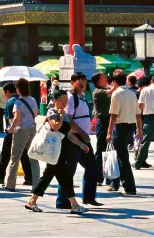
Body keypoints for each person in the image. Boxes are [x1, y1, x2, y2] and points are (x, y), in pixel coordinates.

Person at [25, 89, 89, 214]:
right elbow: (55, 127)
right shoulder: (52, 112)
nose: (64, 102)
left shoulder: (64, 114)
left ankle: (32, 201)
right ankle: (74, 205)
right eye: (61, 100)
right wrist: (60, 115)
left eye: (66, 100)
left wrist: (81, 144)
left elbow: (69, 134)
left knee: (50, 176)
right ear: (54, 100)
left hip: (59, 151)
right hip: (54, 151)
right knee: (65, 177)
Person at [56, 73, 100, 208]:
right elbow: (69, 120)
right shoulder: (70, 98)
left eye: (84, 81)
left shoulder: (82, 97)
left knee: (92, 167)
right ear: (72, 82)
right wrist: (82, 133)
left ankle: (89, 197)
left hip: (84, 137)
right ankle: (62, 201)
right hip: (73, 138)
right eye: (78, 81)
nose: (82, 83)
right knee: (69, 170)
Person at [0, 82, 33, 186]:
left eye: (4, 92)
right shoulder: (25, 99)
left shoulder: (11, 101)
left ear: (7, 91)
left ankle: (0, 176)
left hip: (13, 130)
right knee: (24, 155)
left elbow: (11, 119)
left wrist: (10, 130)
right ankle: (29, 178)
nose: (4, 95)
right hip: (27, 130)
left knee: (6, 154)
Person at [106, 72, 142, 195]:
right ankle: (115, 184)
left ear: (114, 82)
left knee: (122, 158)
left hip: (119, 127)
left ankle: (129, 186)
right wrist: (139, 130)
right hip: (130, 127)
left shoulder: (116, 94)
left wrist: (109, 132)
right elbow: (138, 114)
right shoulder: (132, 94)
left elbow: (113, 115)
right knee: (120, 156)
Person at [4, 78, 40, 192]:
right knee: (33, 157)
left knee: (15, 157)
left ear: (18, 89)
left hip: (21, 131)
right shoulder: (33, 100)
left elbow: (16, 119)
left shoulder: (18, 102)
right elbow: (36, 113)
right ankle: (36, 184)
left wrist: (10, 129)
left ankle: (10, 184)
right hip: (32, 129)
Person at [92, 71, 112, 186]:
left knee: (108, 150)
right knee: (101, 149)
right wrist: (117, 81)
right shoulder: (98, 92)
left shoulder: (105, 89)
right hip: (103, 121)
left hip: (109, 121)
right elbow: (111, 92)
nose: (106, 79)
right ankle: (97, 176)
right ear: (98, 81)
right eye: (104, 78)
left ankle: (108, 176)